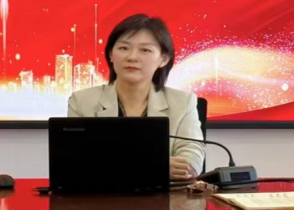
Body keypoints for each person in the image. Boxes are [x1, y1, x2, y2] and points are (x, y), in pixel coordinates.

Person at [67, 14, 205, 180]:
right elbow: (73, 160)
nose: (132, 57)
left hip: (164, 194)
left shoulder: (183, 102)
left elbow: (192, 158)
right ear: (111, 54)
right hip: (100, 193)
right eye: (123, 48)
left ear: (163, 59)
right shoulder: (82, 101)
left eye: (145, 50)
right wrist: (154, 166)